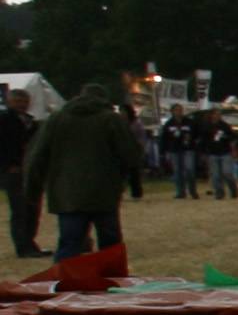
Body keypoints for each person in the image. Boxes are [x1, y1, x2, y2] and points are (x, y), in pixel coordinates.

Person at [22, 89, 146, 260]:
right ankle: (111, 275)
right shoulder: (110, 119)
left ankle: (66, 275)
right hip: (104, 191)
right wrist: (129, 181)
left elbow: (37, 156)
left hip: (67, 192)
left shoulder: (56, 119)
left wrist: (32, 191)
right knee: (110, 245)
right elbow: (131, 155)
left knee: (69, 244)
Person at [1, 87, 40, 255]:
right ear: (9, 102)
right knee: (20, 210)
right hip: (13, 171)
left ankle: (30, 243)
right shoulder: (4, 120)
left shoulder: (31, 122)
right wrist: (8, 165)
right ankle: (23, 247)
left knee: (32, 209)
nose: (21, 105)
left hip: (29, 170)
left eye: (24, 102)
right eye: (17, 101)